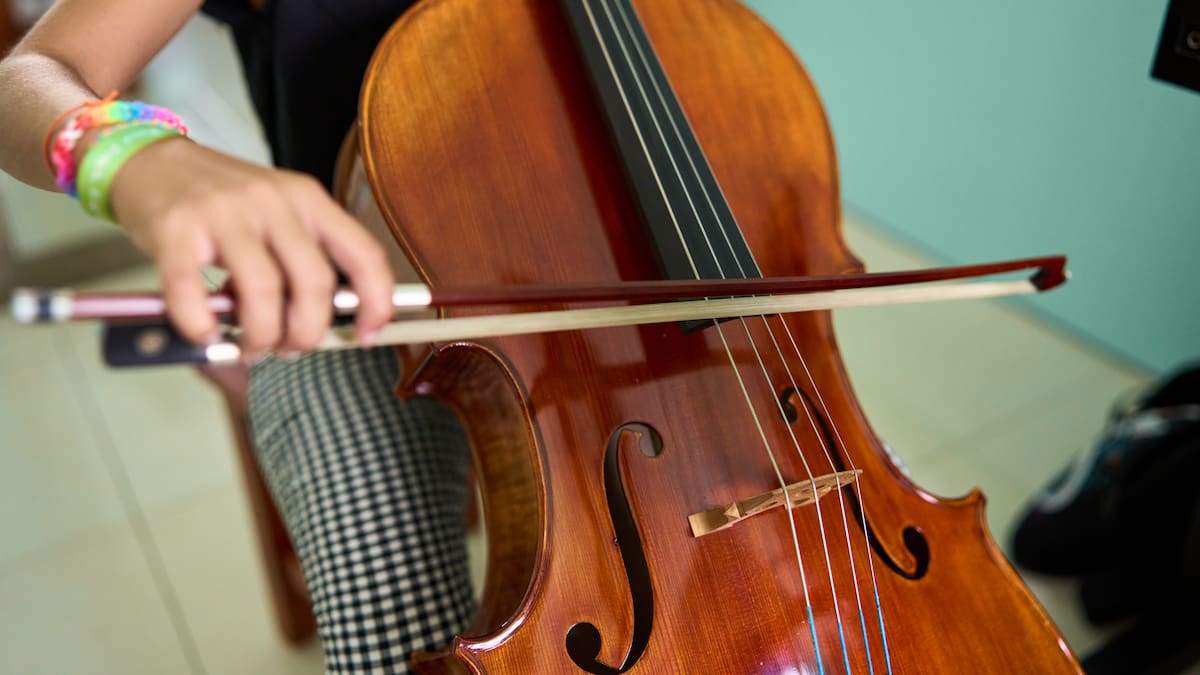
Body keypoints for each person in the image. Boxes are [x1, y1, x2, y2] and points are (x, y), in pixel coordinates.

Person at [0, 1, 476, 672]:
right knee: (394, 641)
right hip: (356, 296)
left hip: (649, 273)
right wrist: (133, 155)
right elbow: (31, 75)